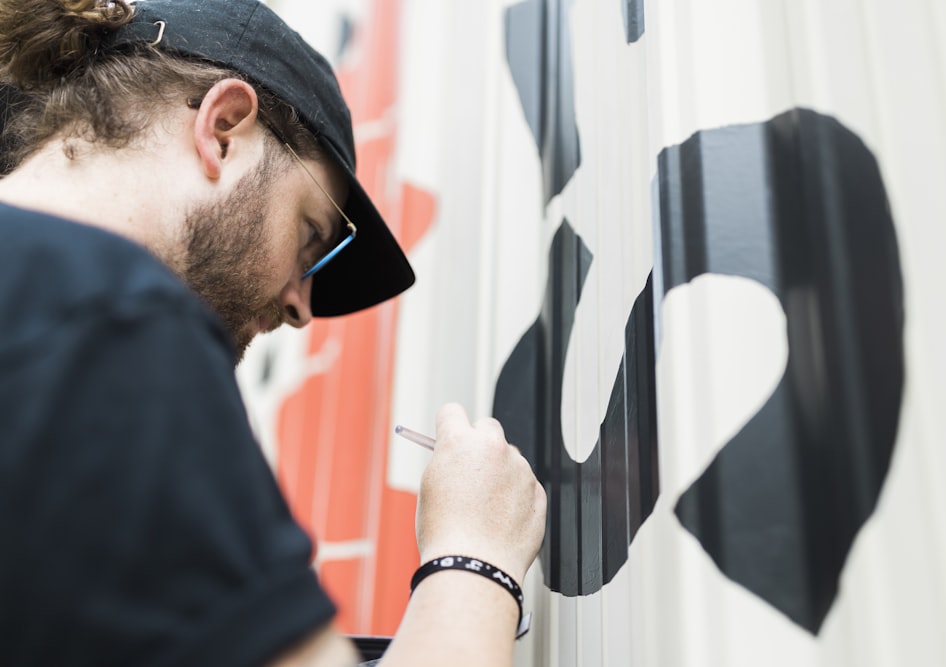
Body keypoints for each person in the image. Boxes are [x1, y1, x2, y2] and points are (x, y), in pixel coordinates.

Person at [0, 0, 547, 665]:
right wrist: (475, 556)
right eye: (311, 237)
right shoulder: (115, 321)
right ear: (224, 127)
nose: (300, 307)